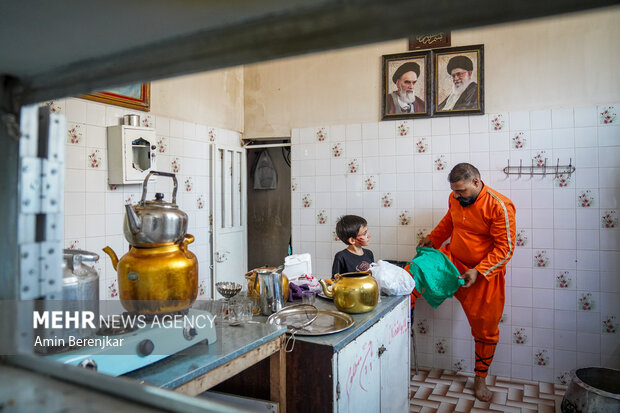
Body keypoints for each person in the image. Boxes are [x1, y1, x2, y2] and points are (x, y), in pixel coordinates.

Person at [417, 163, 516, 402]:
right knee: (416, 269)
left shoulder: (499, 205)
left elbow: (506, 249)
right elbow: (449, 222)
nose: (457, 196)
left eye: (461, 191)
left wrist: (479, 271)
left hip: (483, 275)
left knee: (486, 330)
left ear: (476, 181)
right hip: (453, 261)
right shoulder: (455, 199)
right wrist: (433, 238)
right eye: (454, 191)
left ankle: (480, 380)